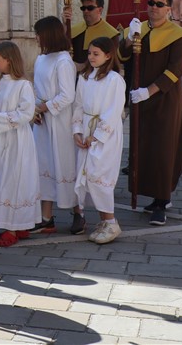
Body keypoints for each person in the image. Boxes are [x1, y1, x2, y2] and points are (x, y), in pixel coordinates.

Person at [119, 0, 182, 227]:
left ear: (169, 9)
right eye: (151, 3)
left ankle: (162, 200)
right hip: (140, 98)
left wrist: (148, 91)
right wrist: (128, 39)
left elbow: (175, 71)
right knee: (143, 147)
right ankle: (152, 194)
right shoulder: (138, 29)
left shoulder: (179, 35)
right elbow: (122, 57)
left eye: (160, 4)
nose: (154, 8)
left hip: (165, 99)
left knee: (163, 148)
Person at [0, 41, 39, 248]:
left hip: (17, 140)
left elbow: (26, 113)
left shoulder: (23, 85)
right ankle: (15, 222)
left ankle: (13, 227)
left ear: (9, 60)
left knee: (14, 180)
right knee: (2, 177)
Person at [72, 36, 127, 245]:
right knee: (87, 176)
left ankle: (111, 222)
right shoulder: (85, 77)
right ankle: (104, 221)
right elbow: (78, 105)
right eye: (89, 53)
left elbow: (113, 112)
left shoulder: (114, 80)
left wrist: (96, 136)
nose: (91, 57)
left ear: (108, 55)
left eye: (96, 54)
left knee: (99, 174)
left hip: (105, 134)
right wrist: (77, 131)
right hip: (87, 128)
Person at [31, 16, 81, 235]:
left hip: (60, 122)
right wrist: (35, 109)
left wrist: (44, 107)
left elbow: (67, 95)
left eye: (38, 33)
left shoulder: (63, 61)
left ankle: (78, 213)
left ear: (48, 35)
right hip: (43, 122)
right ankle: (46, 217)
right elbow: (36, 88)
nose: (36, 37)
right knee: (44, 165)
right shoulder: (41, 59)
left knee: (65, 164)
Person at [65, 0, 117, 66]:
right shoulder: (74, 30)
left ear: (100, 10)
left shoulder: (111, 34)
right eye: (83, 8)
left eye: (90, 8)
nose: (86, 11)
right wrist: (64, 25)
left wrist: (83, 67)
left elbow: (111, 62)